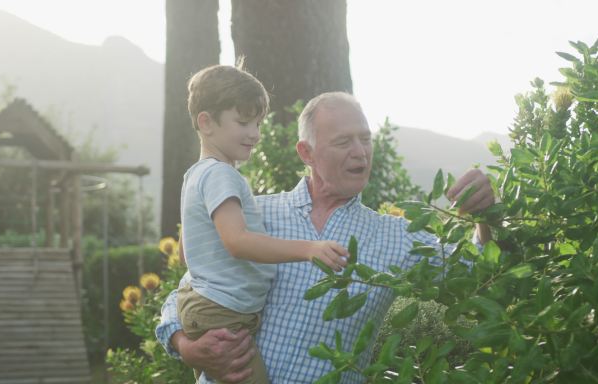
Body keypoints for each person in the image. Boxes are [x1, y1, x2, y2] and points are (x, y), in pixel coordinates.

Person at [156, 91, 495, 383]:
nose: (360, 153)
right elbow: (189, 289)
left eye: (365, 139)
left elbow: (480, 271)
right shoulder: (251, 216)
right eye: (343, 142)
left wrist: (486, 217)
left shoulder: (395, 236)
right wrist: (187, 346)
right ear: (307, 153)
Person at [177, 66, 349, 384]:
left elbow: (185, 254)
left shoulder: (195, 175)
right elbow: (237, 242)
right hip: (224, 313)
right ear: (206, 122)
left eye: (257, 123)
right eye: (243, 122)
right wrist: (309, 248)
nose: (254, 134)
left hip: (211, 309)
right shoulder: (220, 174)